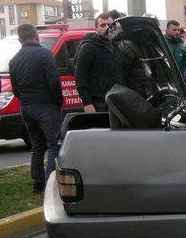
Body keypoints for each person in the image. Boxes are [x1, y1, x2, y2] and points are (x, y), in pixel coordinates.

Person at [9, 24, 62, 192]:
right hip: (45, 105)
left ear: (20, 39)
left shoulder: (14, 60)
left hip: (26, 107)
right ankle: (50, 183)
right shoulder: (45, 55)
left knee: (37, 145)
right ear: (36, 36)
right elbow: (54, 82)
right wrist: (57, 101)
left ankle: (38, 182)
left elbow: (15, 89)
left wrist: (25, 100)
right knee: (53, 144)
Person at [75, 12, 121, 112]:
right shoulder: (89, 47)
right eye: (103, 25)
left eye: (109, 25)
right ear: (96, 29)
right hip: (98, 104)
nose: (107, 28)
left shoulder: (116, 46)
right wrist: (87, 103)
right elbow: (80, 76)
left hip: (116, 101)